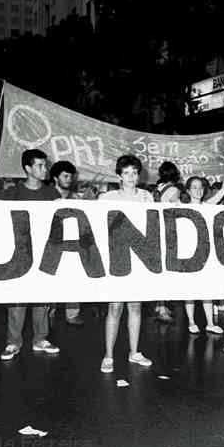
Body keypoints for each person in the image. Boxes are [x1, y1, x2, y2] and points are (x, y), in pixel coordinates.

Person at [0, 149, 61, 361]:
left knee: (42, 297)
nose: (45, 169)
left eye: (45, 165)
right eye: (40, 166)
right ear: (28, 169)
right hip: (20, 253)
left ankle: (40, 338)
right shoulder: (11, 195)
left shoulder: (52, 194)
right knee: (17, 299)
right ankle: (13, 341)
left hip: (44, 251)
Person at [98, 155, 154, 373]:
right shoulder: (107, 198)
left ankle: (134, 352)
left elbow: (154, 223)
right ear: (119, 175)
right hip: (117, 258)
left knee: (135, 306)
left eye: (135, 172)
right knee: (115, 306)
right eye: (127, 173)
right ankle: (108, 355)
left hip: (139, 259)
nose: (131, 177)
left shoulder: (147, 196)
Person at [182, 159, 224, 335]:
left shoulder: (208, 206)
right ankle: (191, 321)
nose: (198, 190)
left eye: (200, 187)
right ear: (188, 191)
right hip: (187, 254)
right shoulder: (179, 208)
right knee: (189, 290)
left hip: (205, 253)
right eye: (194, 187)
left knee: (207, 288)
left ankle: (210, 323)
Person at [48, 160, 84, 326]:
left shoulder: (76, 198)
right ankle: (49, 311)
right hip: (50, 243)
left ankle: (72, 313)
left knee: (73, 276)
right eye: (65, 176)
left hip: (71, 243)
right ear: (56, 177)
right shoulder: (46, 195)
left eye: (71, 176)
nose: (69, 179)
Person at [153, 161, 183, 324]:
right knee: (166, 271)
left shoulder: (157, 188)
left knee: (160, 269)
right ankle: (162, 309)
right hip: (168, 230)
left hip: (156, 228)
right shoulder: (174, 190)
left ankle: (160, 305)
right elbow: (176, 209)